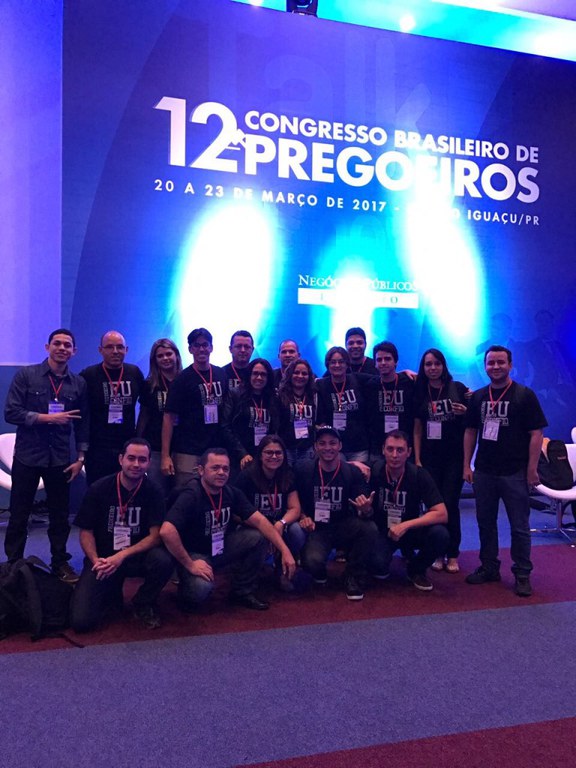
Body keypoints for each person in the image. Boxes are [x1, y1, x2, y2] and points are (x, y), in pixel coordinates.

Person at [160, 448, 296, 612]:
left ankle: (242, 591)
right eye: (215, 468)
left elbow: (260, 521)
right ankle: (185, 588)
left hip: (220, 548)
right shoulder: (191, 494)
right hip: (195, 554)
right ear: (201, 470)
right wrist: (190, 564)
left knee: (259, 536)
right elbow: (166, 531)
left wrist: (285, 550)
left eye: (225, 469)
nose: (221, 473)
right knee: (200, 589)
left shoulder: (231, 492)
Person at [3, 329, 89, 583]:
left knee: (60, 516)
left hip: (60, 459)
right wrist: (46, 418)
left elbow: (83, 424)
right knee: (19, 514)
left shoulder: (78, 383)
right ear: (47, 347)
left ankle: (60, 563)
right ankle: (14, 564)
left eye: (67, 345)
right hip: (27, 457)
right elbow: (11, 412)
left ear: (74, 351)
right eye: (57, 343)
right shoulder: (27, 375)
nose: (62, 348)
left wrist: (80, 458)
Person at [463, 345, 547, 597]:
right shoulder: (479, 397)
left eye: (500, 362)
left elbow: (536, 434)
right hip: (485, 471)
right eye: (491, 363)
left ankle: (522, 573)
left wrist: (531, 469)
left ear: (510, 365)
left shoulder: (524, 395)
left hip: (515, 472)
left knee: (519, 526)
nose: (495, 367)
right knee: (485, 523)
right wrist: (466, 465)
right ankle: (489, 567)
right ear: (485, 366)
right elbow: (470, 432)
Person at [71, 438, 173, 631]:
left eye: (142, 460)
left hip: (136, 557)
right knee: (81, 622)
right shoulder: (99, 488)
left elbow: (155, 536)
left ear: (149, 463)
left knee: (164, 560)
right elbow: (86, 531)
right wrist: (95, 560)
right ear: (121, 459)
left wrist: (121, 556)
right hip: (104, 558)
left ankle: (143, 602)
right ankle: (111, 589)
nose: (136, 464)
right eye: (131, 458)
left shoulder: (154, 491)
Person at [356, 430, 449, 591]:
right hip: (383, 531)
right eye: (390, 449)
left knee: (440, 534)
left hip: (410, 529)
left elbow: (442, 513)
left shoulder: (419, 475)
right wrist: (357, 464)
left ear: (409, 452)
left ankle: (416, 570)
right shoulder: (374, 470)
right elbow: (339, 463)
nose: (394, 455)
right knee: (378, 566)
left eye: (400, 450)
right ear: (383, 450)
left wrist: (405, 525)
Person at [294, 426, 375, 600]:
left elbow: (365, 508)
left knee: (369, 528)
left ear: (340, 446)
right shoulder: (304, 471)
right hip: (318, 529)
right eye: (322, 443)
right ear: (315, 447)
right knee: (312, 563)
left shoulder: (352, 472)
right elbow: (294, 501)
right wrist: (303, 516)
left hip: (343, 525)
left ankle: (352, 575)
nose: (327, 447)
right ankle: (320, 572)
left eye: (332, 443)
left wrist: (365, 509)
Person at [413, 348, 470, 573]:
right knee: (433, 506)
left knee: (450, 504)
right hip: (429, 459)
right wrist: (417, 459)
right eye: (428, 364)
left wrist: (465, 412)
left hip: (454, 458)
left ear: (443, 366)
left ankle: (452, 553)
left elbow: (471, 425)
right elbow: (417, 429)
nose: (433, 368)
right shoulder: (420, 391)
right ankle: (437, 551)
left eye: (437, 363)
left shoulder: (458, 389)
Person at [234, 435, 305, 589]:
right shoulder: (246, 476)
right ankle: (248, 577)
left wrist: (281, 523)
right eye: (269, 452)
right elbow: (235, 513)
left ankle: (282, 572)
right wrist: (264, 527)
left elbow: (295, 508)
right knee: (257, 536)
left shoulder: (288, 475)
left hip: (278, 524)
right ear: (260, 455)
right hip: (252, 526)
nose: (274, 456)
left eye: (278, 453)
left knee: (296, 531)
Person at [161, 328, 228, 490]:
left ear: (211, 347)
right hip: (187, 451)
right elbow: (168, 418)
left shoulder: (221, 374)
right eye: (196, 345)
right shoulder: (181, 379)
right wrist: (165, 456)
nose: (201, 349)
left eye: (205, 345)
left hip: (215, 449)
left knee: (213, 495)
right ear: (190, 349)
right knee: (186, 494)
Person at [80, 330, 144, 485]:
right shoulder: (89, 375)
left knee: (127, 491)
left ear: (126, 350)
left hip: (127, 447)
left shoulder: (134, 372)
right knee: (98, 491)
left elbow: (147, 406)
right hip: (98, 448)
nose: (115, 351)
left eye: (120, 347)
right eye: (109, 347)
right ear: (100, 350)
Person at [136, 338, 183, 495]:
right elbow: (144, 416)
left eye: (168, 354)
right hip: (155, 447)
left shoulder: (186, 381)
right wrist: (138, 440)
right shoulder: (149, 385)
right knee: (158, 493)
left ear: (176, 355)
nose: (165, 358)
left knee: (181, 494)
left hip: (182, 447)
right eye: (160, 356)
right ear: (154, 360)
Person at [221, 358, 279, 472]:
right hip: (240, 455)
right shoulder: (235, 394)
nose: (259, 377)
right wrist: (242, 453)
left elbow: (275, 428)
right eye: (255, 373)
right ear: (249, 375)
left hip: (264, 456)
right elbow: (225, 427)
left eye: (263, 374)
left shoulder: (272, 398)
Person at [315, 347, 370, 462]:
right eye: (333, 362)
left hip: (359, 447)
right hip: (334, 448)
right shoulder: (321, 385)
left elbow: (382, 378)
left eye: (341, 362)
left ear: (347, 364)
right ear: (328, 365)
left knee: (359, 473)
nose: (337, 365)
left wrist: (404, 373)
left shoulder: (357, 379)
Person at [366, 341, 415, 462]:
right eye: (379, 360)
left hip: (404, 447)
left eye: (387, 359)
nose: (383, 363)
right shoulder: (370, 385)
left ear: (396, 361)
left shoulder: (409, 382)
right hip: (378, 448)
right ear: (375, 364)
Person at [277, 358, 317, 464]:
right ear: (290, 374)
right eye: (296, 372)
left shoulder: (314, 396)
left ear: (309, 376)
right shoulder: (280, 396)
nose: (300, 376)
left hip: (307, 449)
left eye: (304, 373)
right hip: (286, 449)